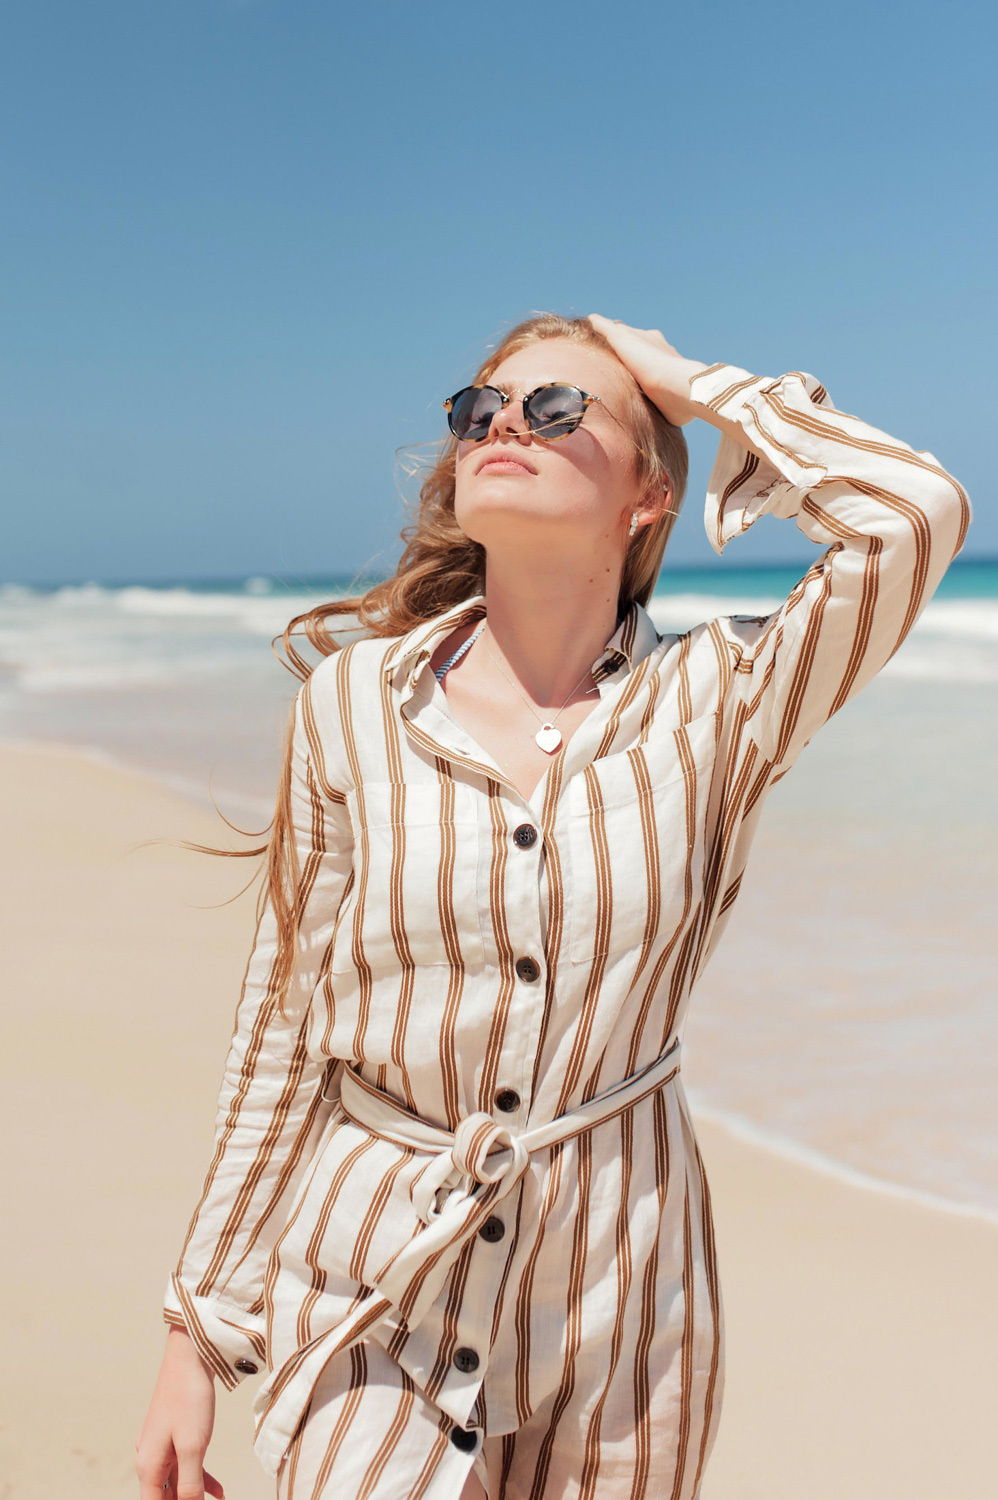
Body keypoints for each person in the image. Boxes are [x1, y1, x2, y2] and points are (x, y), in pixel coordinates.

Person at [134, 312, 970, 1500]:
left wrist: (698, 386)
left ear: (645, 495)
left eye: (557, 408)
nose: (502, 426)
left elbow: (914, 512)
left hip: (623, 1301)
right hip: (373, 1275)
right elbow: (282, 1027)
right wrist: (196, 1329)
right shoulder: (350, 707)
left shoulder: (720, 701)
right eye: (480, 409)